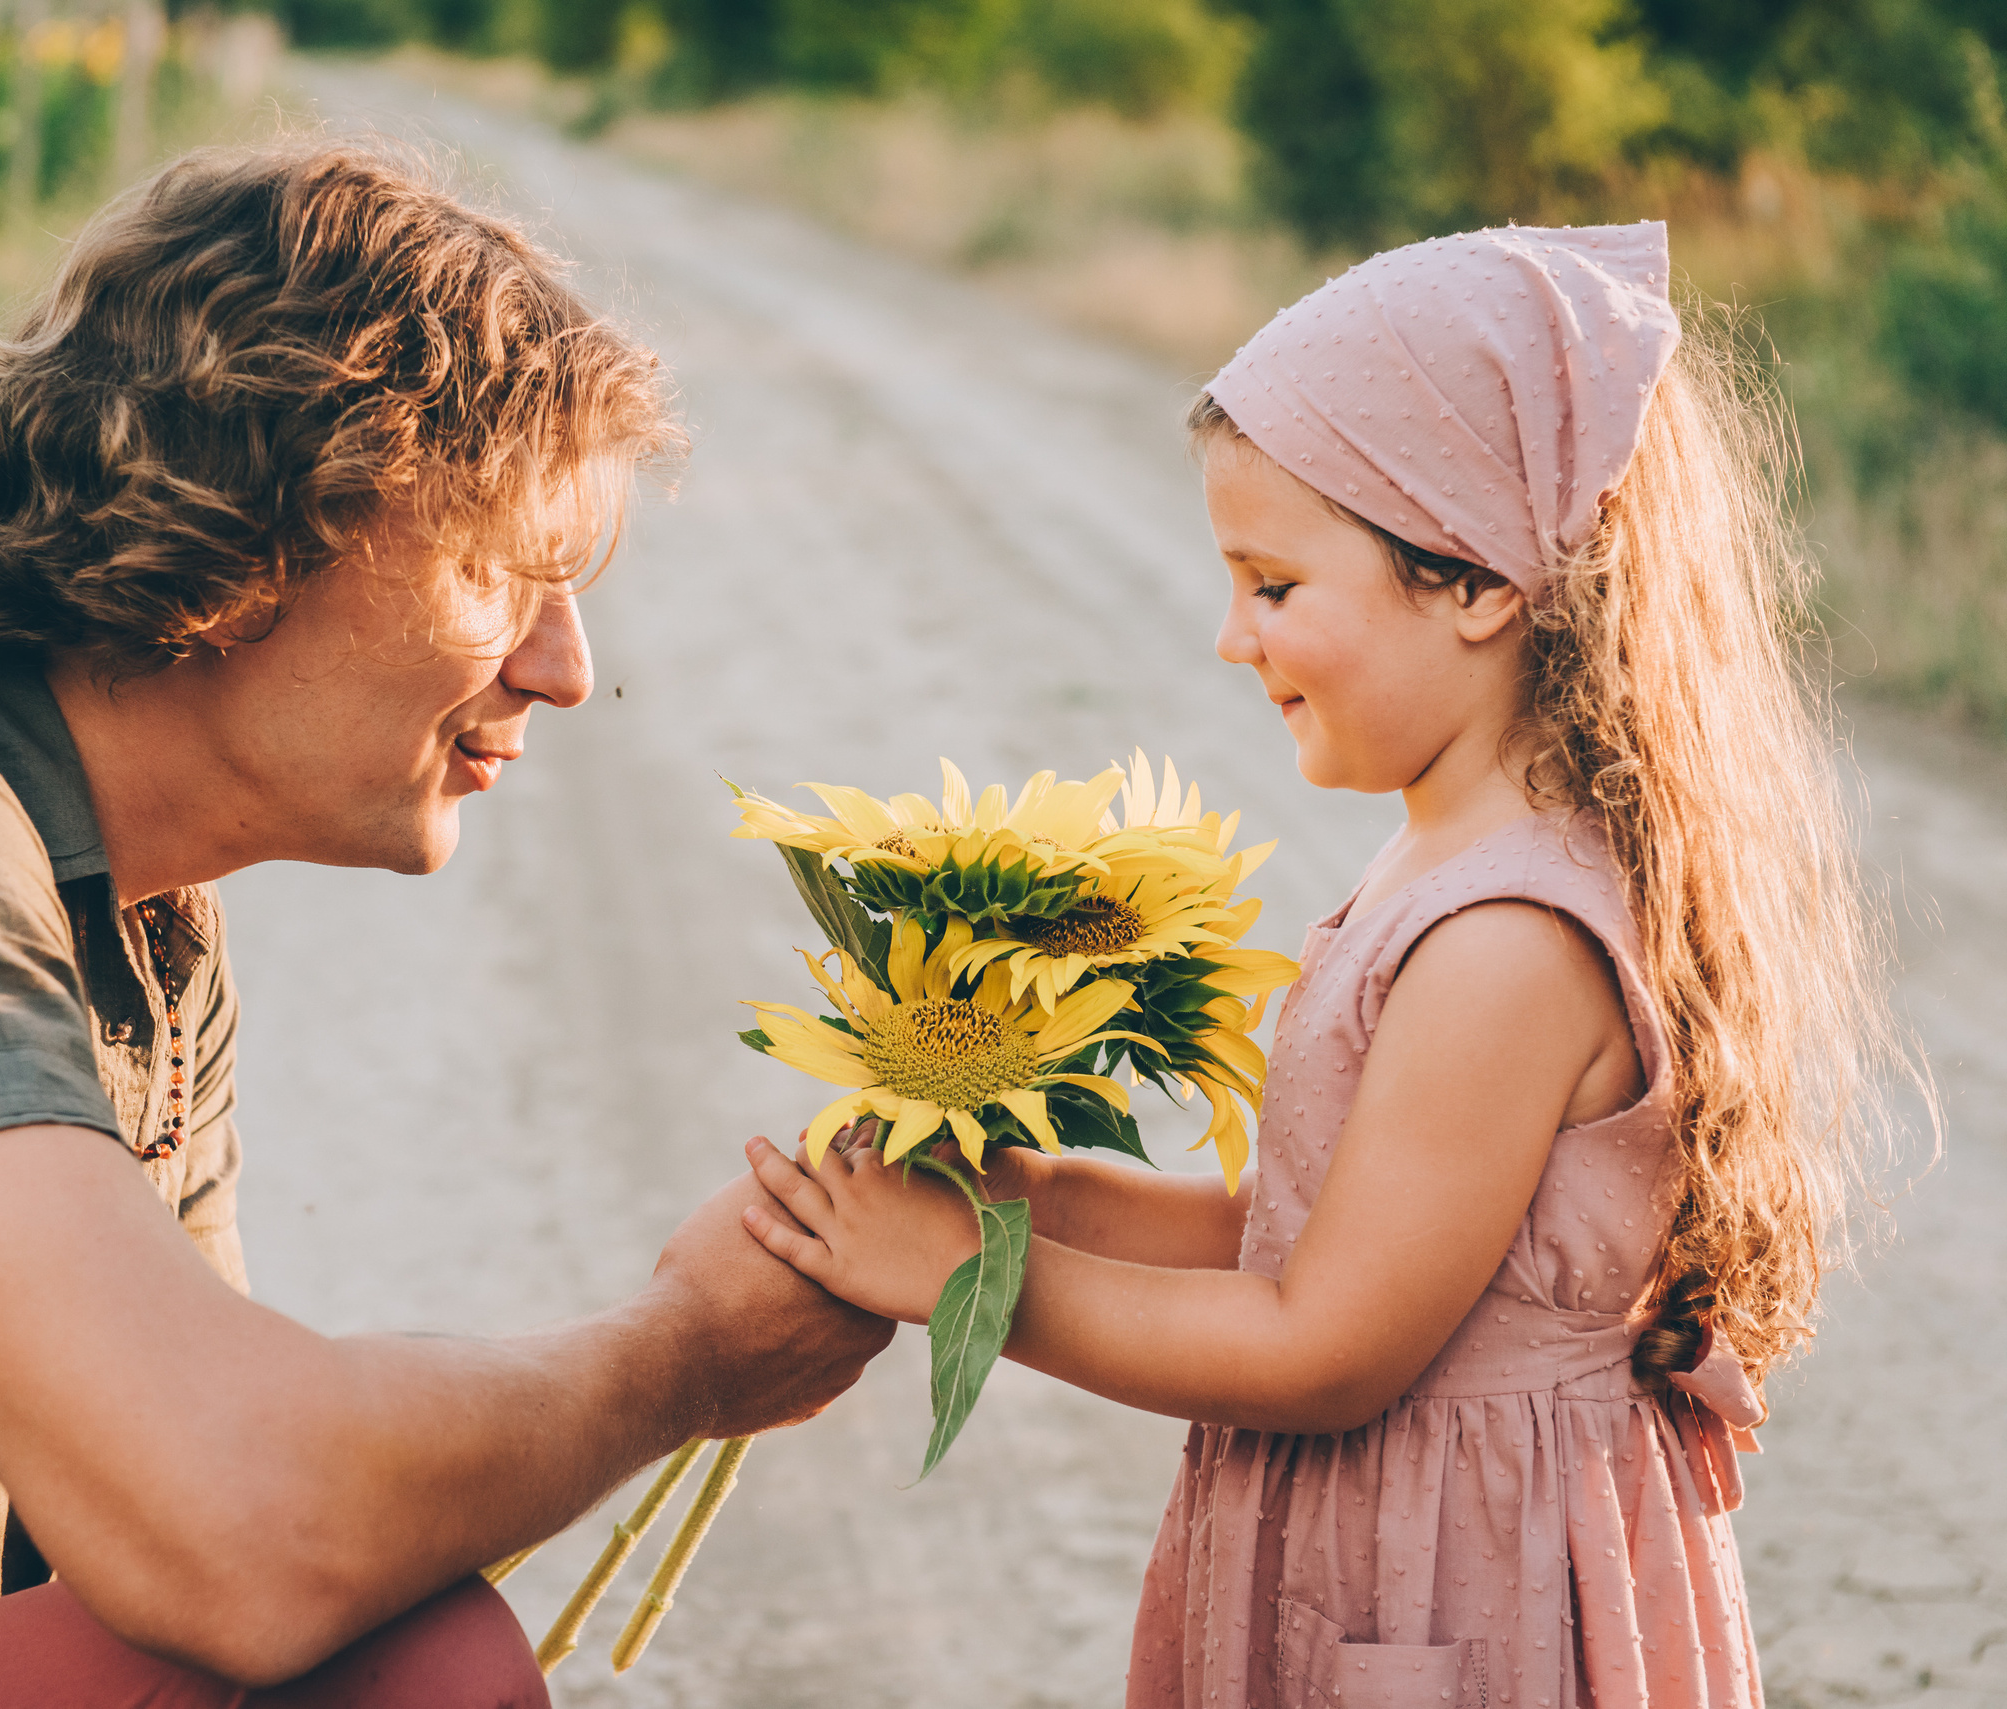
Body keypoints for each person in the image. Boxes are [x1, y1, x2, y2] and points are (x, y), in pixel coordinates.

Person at [0, 142, 890, 1707]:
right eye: (503, 570)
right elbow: (244, 1530)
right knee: (401, 1654)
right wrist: (678, 1358)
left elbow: (204, 1496)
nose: (565, 666)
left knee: (374, 1644)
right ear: (260, 521)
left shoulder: (133, 907)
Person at [740, 222, 1910, 1706]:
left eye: (1274, 584)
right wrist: (1035, 1197)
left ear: (1477, 578)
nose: (1232, 637)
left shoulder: (1508, 940)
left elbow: (1323, 1343)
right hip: (1390, 1559)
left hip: (1460, 1598)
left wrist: (974, 1282)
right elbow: (1304, 1230)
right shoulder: (1455, 854)